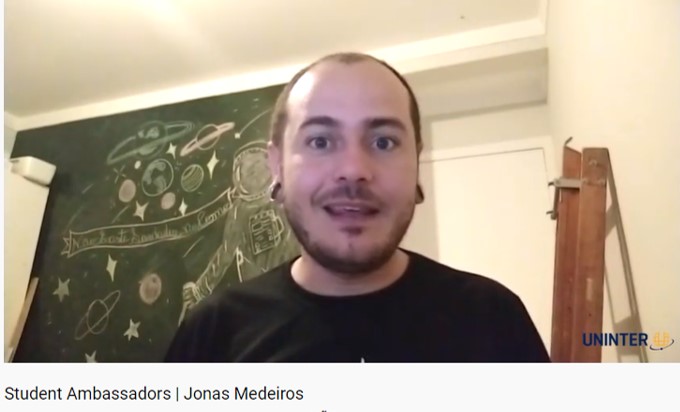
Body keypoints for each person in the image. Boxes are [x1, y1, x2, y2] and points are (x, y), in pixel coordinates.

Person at [164, 52, 551, 362]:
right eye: (320, 141)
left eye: (384, 142)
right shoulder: (212, 334)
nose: (353, 170)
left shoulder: (492, 316)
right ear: (277, 166)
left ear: (416, 161)